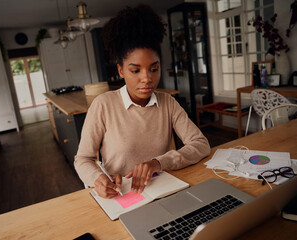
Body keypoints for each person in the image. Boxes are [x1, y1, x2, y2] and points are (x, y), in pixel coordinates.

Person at [74, 5, 210, 199]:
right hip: (121, 196)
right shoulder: (103, 105)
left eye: (154, 69)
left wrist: (158, 163)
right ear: (121, 71)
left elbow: (201, 144)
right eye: (135, 70)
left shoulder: (168, 103)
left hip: (163, 191)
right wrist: (97, 179)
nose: (147, 78)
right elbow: (83, 159)